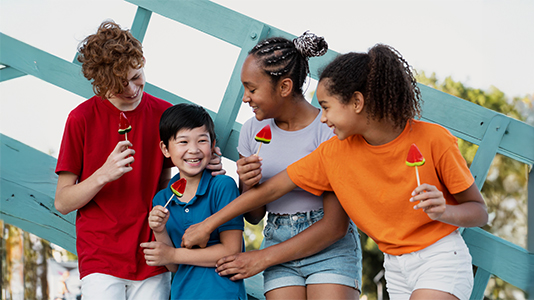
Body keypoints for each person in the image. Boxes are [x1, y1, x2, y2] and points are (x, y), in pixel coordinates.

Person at [182, 44, 489, 300]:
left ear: (356, 102)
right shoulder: (335, 152)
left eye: (327, 107)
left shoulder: (434, 139)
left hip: (439, 258)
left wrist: (444, 211)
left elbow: (478, 211)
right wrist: (209, 224)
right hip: (395, 267)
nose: (324, 118)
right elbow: (271, 190)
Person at [54, 21, 223, 300]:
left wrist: (208, 163)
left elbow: (182, 176)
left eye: (136, 76)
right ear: (100, 84)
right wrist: (103, 174)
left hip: (154, 252)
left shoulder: (165, 114)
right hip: (101, 255)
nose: (132, 90)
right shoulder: (80, 119)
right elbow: (62, 202)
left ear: (141, 61)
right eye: (120, 86)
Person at [213, 32, 362, 300]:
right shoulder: (251, 131)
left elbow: (335, 226)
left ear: (284, 87)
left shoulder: (328, 131)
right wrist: (248, 181)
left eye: (252, 89)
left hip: (328, 246)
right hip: (276, 236)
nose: (245, 98)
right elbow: (255, 216)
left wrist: (261, 258)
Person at [140, 103, 247, 299]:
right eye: (183, 142)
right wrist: (159, 230)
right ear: (165, 149)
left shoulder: (222, 186)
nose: (194, 150)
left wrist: (173, 255)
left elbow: (232, 250)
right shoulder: (162, 199)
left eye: (202, 141)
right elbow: (172, 265)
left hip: (224, 294)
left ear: (213, 144)